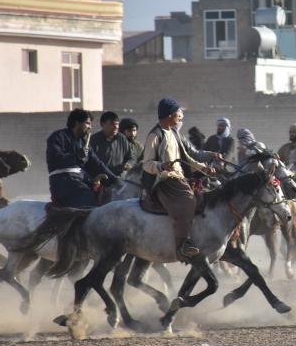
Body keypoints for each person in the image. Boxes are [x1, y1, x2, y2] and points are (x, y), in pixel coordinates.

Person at [142, 98, 217, 261]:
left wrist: (204, 168)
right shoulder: (155, 135)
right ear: (170, 115)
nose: (180, 116)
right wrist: (162, 166)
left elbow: (187, 159)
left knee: (204, 197)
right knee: (189, 200)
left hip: (180, 179)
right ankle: (182, 245)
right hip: (165, 181)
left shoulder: (174, 132)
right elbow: (146, 164)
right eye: (178, 113)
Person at [46, 109, 119, 208]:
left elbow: (96, 164)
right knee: (87, 200)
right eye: (88, 123)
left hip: (79, 180)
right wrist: (76, 156)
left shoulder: (84, 143)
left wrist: (115, 180)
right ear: (77, 122)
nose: (90, 127)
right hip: (63, 181)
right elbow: (55, 157)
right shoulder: (58, 136)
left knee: (105, 197)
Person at [89, 111, 134, 177]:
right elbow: (90, 163)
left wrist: (127, 164)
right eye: (112, 124)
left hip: (119, 178)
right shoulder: (93, 140)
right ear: (102, 124)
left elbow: (130, 157)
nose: (116, 127)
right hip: (101, 179)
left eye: (117, 124)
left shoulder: (122, 138)